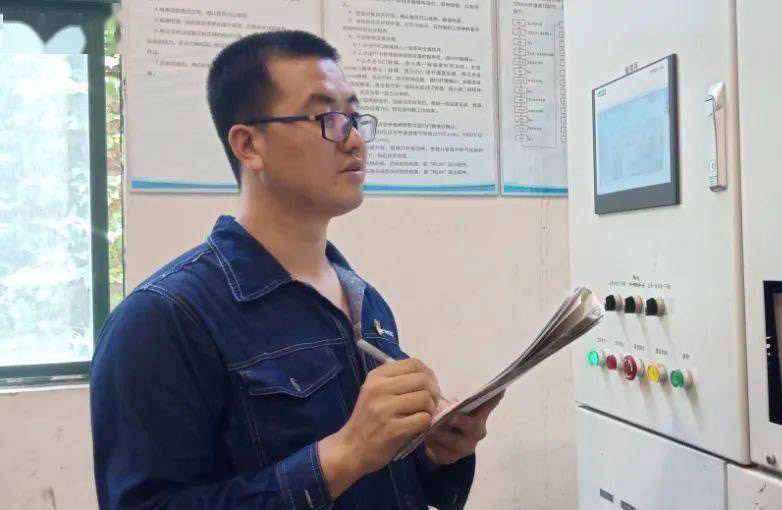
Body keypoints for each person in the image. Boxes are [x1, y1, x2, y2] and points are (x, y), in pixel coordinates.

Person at [90, 30, 500, 510]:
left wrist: (434, 453)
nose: (353, 139)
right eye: (326, 118)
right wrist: (341, 456)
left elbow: (382, 476)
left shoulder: (363, 299)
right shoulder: (163, 319)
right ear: (248, 145)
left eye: (353, 117)